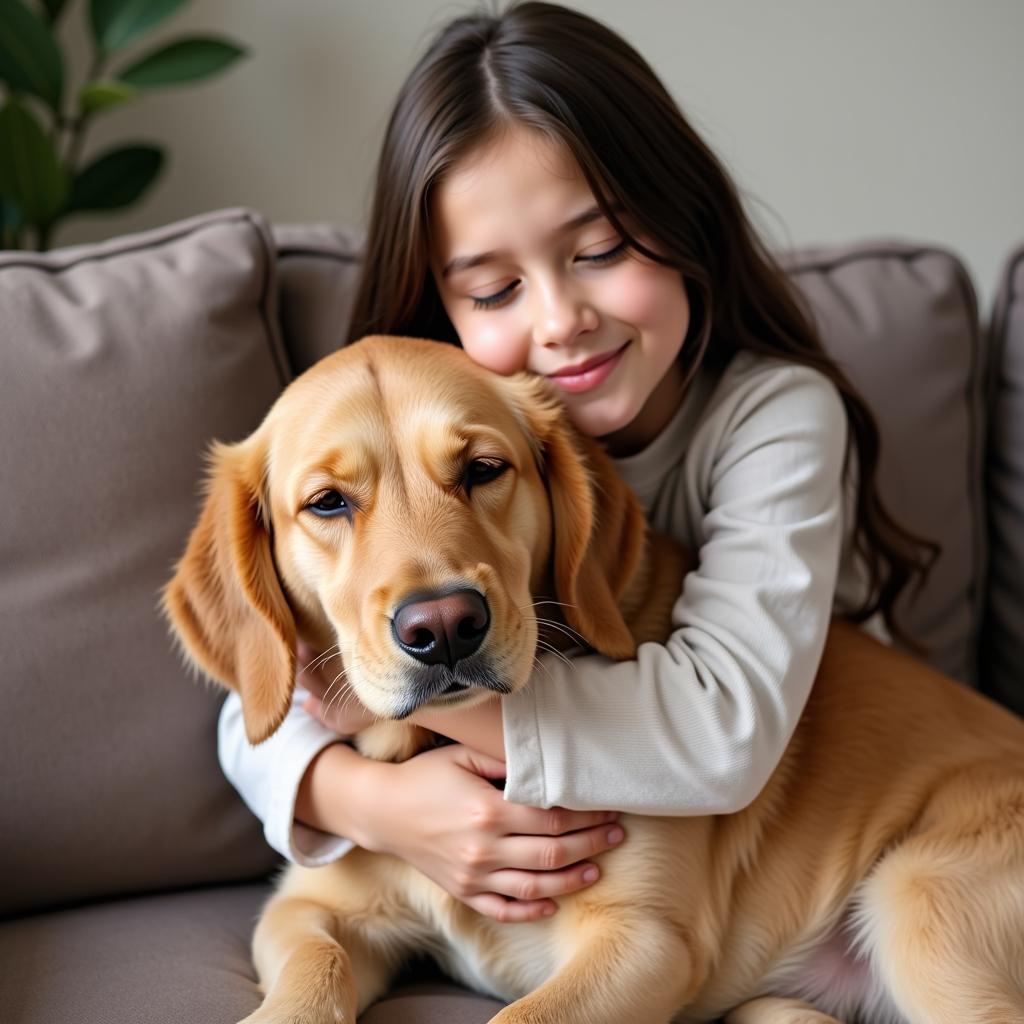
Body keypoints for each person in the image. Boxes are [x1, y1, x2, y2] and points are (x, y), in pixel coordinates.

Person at [219, 1, 937, 925]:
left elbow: (724, 733)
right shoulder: (412, 416)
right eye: (495, 288)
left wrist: (397, 705)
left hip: (831, 802)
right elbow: (264, 692)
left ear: (686, 221)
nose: (561, 322)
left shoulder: (778, 413)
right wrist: (375, 807)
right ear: (443, 307)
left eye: (600, 250)